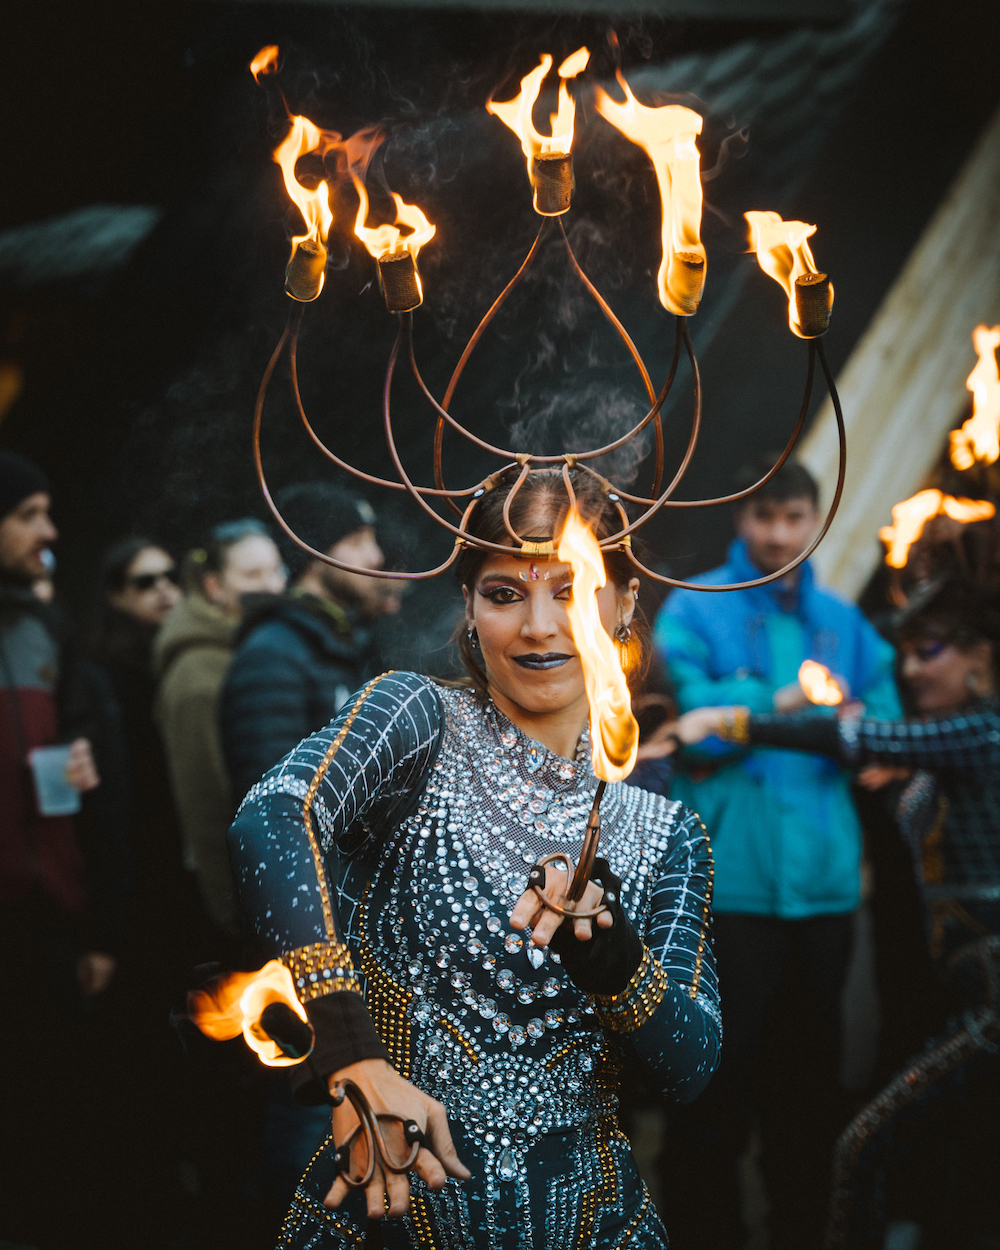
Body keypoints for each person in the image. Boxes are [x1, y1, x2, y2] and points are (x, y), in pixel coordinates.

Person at [226, 468, 721, 1247]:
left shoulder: (668, 830)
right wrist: (353, 1054)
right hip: (395, 1200)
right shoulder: (418, 720)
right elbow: (271, 816)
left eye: (569, 590)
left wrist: (612, 958)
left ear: (623, 603)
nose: (537, 625)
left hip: (590, 1221)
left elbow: (690, 1069)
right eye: (503, 594)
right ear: (468, 605)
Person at [675, 577, 1000, 1250]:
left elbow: (846, 734)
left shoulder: (986, 731)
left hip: (991, 993)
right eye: (907, 653)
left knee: (862, 1146)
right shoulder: (943, 739)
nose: (911, 669)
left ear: (982, 658)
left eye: (930, 650)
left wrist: (737, 721)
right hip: (957, 991)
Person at [653, 458, 902, 1250]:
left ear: (814, 520)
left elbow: (886, 717)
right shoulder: (694, 609)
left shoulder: (843, 620)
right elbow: (689, 716)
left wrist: (869, 737)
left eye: (795, 518)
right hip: (730, 893)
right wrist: (793, 700)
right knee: (714, 1096)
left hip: (825, 892)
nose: (780, 535)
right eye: (765, 517)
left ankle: (803, 1230)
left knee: (809, 1095)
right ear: (740, 520)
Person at [0, 452, 126, 1247]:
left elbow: (76, 753)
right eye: (28, 514)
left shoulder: (42, 628)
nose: (49, 531)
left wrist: (81, 755)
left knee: (48, 1131)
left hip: (45, 920)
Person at [221, 483, 400, 804]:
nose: (376, 557)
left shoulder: (340, 638)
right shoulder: (271, 656)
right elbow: (273, 803)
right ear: (314, 553)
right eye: (357, 542)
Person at [155, 519, 285, 933]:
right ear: (214, 587)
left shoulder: (253, 646)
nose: (272, 586)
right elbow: (206, 806)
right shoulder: (198, 676)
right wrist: (237, 917)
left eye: (276, 570)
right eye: (252, 575)